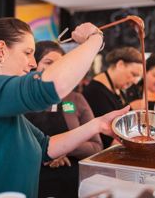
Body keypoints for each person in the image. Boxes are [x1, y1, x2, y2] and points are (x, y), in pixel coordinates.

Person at [0, 17, 130, 198]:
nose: (33, 63)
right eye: (27, 52)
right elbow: (49, 87)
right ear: (1, 51)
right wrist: (95, 39)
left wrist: (97, 125)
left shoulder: (6, 109)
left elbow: (46, 147)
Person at [25, 41, 103, 198]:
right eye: (48, 62)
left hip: (69, 183)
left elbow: (96, 147)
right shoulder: (23, 100)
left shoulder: (76, 99)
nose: (56, 68)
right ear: (34, 65)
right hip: (30, 181)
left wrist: (63, 148)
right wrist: (46, 153)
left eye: (61, 63)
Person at [82, 47, 143, 148]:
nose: (135, 81)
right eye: (133, 74)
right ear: (120, 65)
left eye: (138, 77)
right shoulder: (95, 92)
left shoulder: (118, 89)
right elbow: (109, 140)